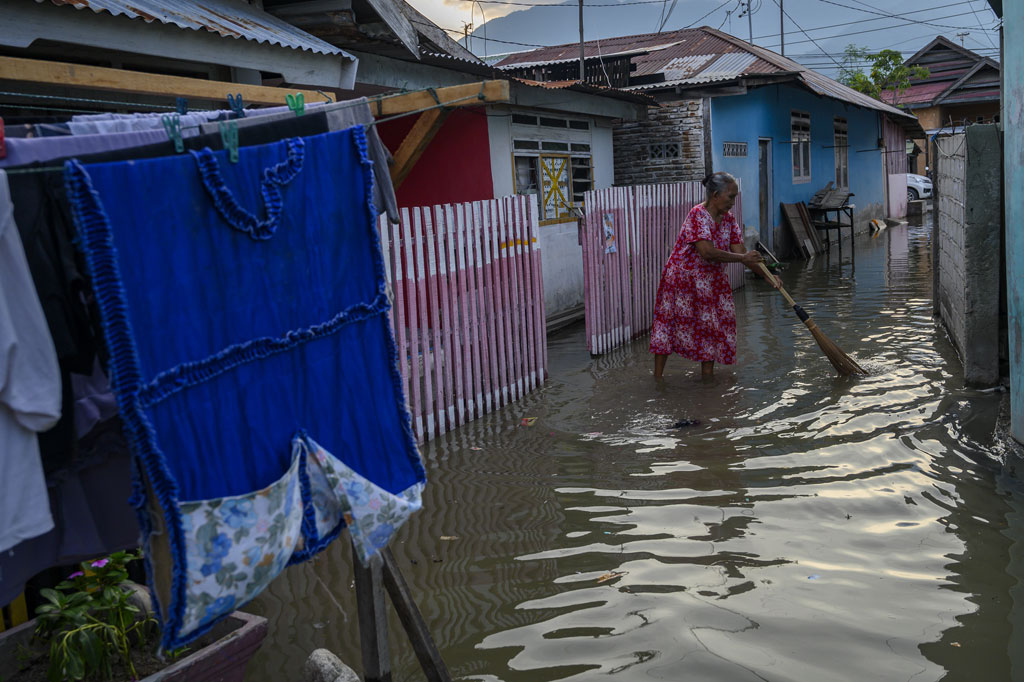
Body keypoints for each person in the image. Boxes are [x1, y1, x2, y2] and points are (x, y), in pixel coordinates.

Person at [650, 171, 780, 379]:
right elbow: (707, 252)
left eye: (735, 197)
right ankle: (658, 379)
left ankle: (707, 381)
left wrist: (767, 275)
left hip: (711, 281)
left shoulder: (729, 220)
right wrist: (744, 258)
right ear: (715, 195)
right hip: (683, 280)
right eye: (731, 197)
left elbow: (741, 252)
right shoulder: (697, 215)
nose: (733, 202)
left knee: (711, 327)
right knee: (668, 326)